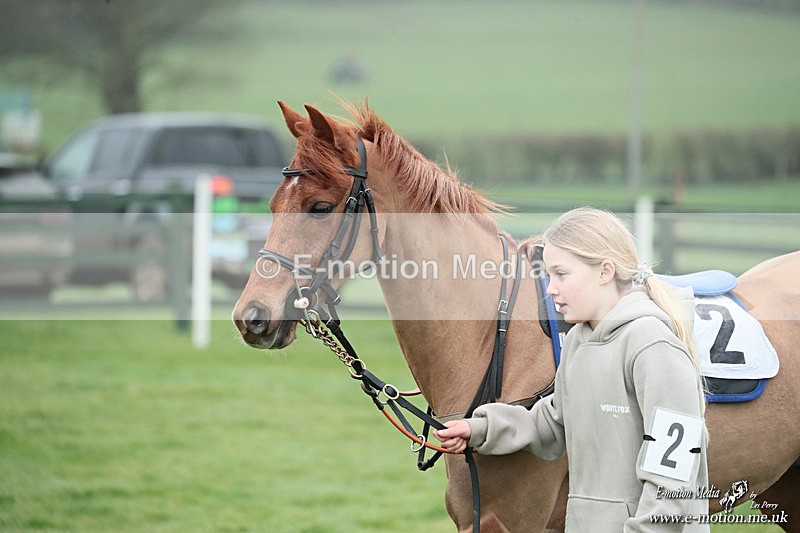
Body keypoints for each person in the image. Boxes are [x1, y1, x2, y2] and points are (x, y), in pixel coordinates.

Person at [434, 207, 710, 532]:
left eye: (561, 274)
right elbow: (553, 423)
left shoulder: (652, 345)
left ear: (605, 271)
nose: (550, 289)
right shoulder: (579, 340)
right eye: (548, 275)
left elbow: (674, 475)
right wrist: (481, 428)